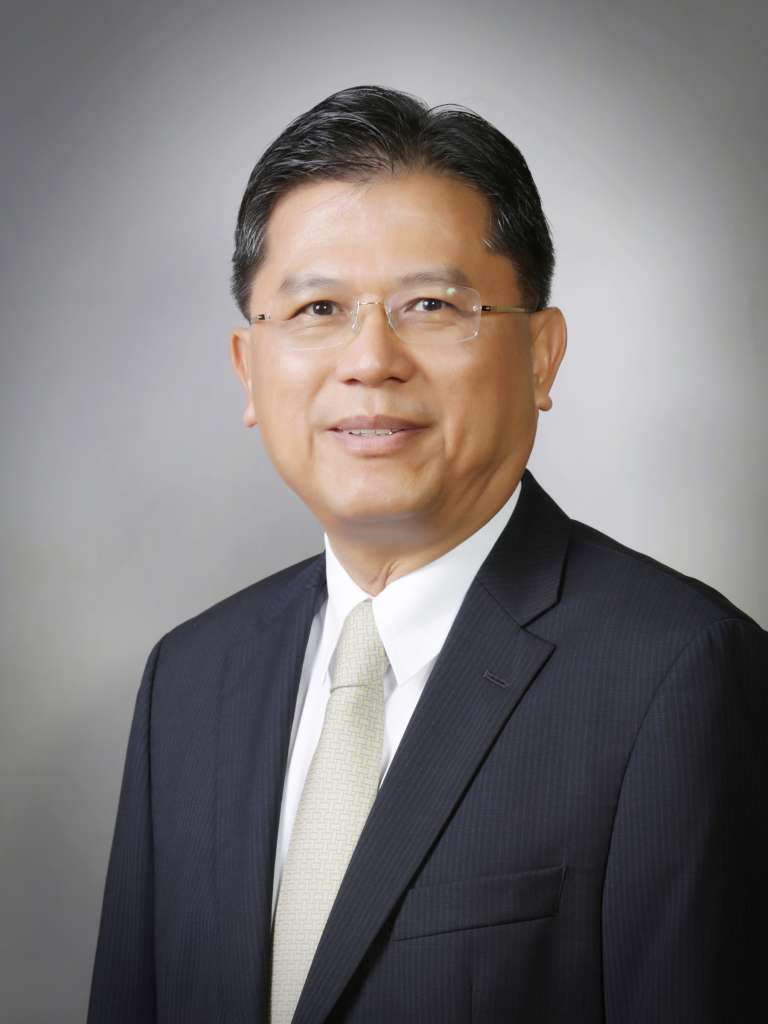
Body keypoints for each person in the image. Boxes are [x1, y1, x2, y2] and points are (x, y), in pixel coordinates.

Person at [87, 84, 767, 1024]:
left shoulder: (679, 674)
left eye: (431, 304)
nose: (371, 359)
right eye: (318, 307)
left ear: (542, 355)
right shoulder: (191, 680)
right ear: (249, 369)